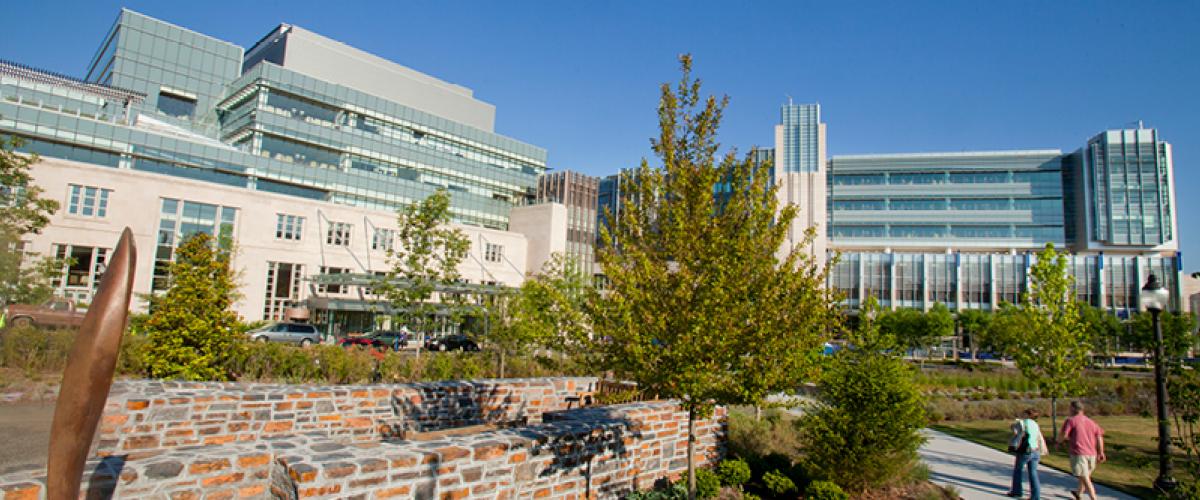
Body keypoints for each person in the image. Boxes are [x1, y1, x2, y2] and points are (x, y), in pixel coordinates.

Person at [1058, 401, 1106, 500]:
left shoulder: (1071, 421)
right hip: (1092, 454)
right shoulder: (1091, 422)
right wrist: (1101, 452)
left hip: (1079, 453)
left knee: (1085, 477)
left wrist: (1058, 441)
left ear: (1073, 409)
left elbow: (1064, 435)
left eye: (1069, 408)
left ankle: (1093, 498)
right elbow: (1099, 436)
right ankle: (1078, 493)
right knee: (1084, 475)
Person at [1008, 408, 1049, 499]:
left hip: (1025, 450)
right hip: (1035, 450)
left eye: (1024, 413)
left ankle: (1017, 491)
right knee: (1033, 473)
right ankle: (1035, 495)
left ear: (1027, 414)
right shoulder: (1035, 424)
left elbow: (1015, 431)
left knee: (1018, 470)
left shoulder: (1022, 423)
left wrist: (1013, 424)